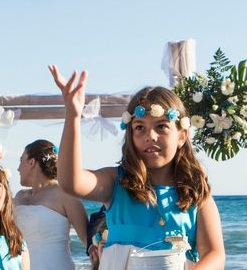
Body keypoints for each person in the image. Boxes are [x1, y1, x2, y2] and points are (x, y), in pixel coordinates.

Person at [49, 65, 225, 269]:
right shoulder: (115, 183)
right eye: (140, 128)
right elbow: (71, 182)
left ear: (182, 136)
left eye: (161, 126)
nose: (150, 136)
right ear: (130, 135)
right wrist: (72, 116)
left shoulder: (196, 193)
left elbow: (215, 254)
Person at [14, 139, 88, 270]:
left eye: (21, 161)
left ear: (31, 162)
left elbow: (87, 239)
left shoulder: (65, 195)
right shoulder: (19, 197)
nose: (18, 168)